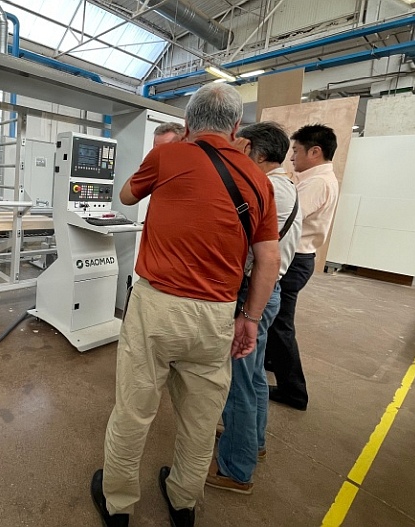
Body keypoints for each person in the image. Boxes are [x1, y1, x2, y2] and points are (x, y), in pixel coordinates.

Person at [90, 83, 281, 527]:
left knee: (135, 408)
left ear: (190, 123)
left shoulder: (168, 155)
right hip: (217, 313)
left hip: (157, 307)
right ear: (237, 128)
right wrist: (250, 320)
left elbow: (125, 197)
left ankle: (118, 505)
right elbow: (268, 257)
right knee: (201, 417)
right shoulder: (259, 180)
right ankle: (183, 503)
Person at [206, 122, 302, 494]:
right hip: (270, 290)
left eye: (239, 149)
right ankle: (253, 444)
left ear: (253, 152)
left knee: (239, 384)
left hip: (253, 293)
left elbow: (247, 248)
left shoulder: (265, 188)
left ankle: (235, 468)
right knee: (256, 377)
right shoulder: (287, 186)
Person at [265, 124, 339, 411]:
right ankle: (272, 362)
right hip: (300, 257)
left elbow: (286, 216)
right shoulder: (312, 178)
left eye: (295, 151)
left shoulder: (317, 183)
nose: (292, 157)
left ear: (315, 151)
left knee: (281, 323)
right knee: (276, 321)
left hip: (295, 259)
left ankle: (293, 391)